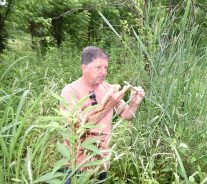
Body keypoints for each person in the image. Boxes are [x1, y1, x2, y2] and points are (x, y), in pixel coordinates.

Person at [60, 46, 145, 183]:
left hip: (101, 163)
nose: (104, 72)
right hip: (76, 165)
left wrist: (135, 102)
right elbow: (79, 127)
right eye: (98, 67)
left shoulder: (108, 88)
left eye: (105, 68)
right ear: (84, 68)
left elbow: (127, 115)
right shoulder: (70, 91)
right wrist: (107, 106)